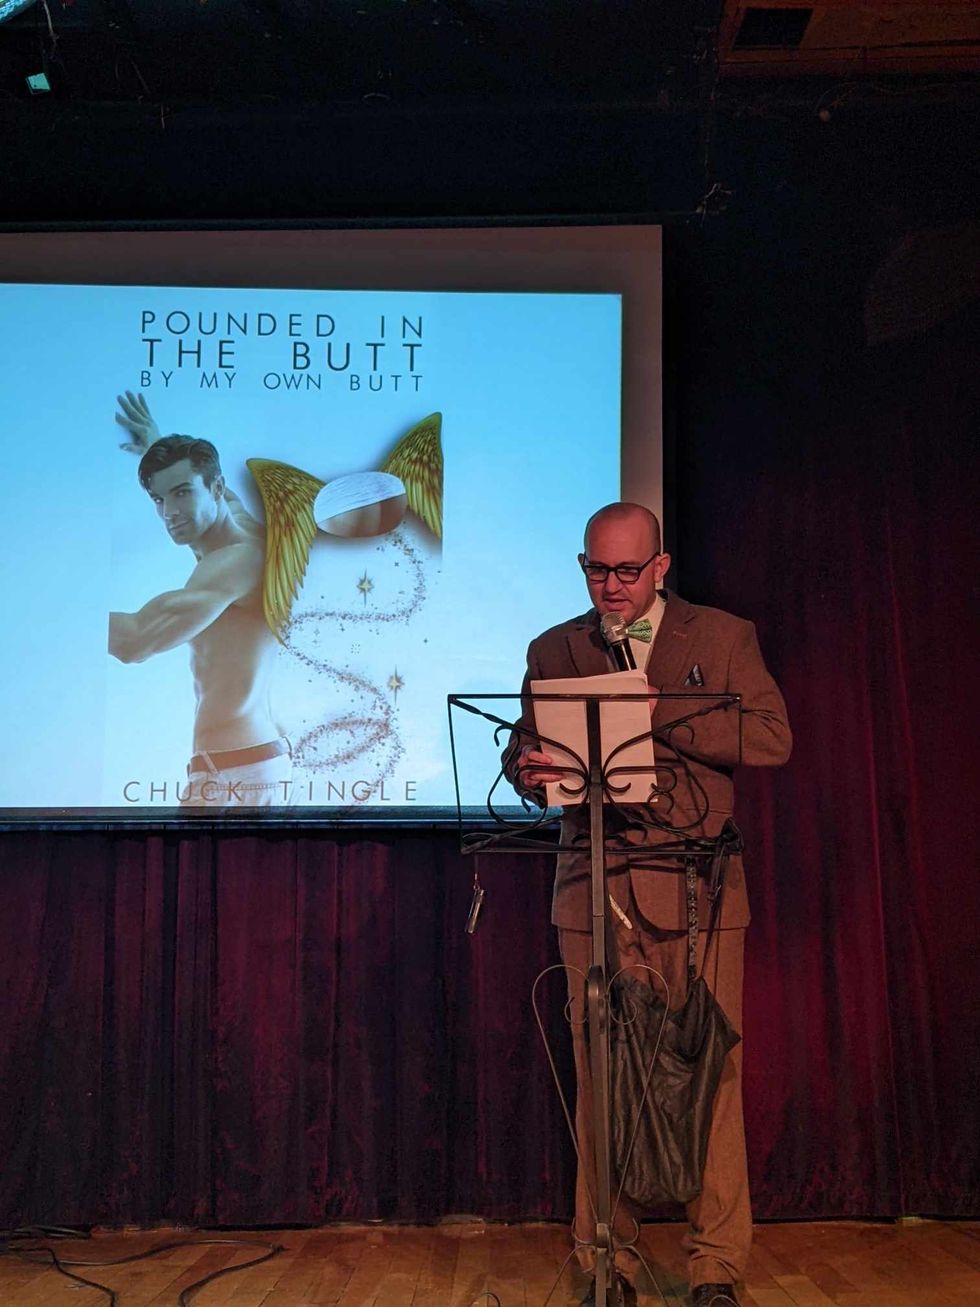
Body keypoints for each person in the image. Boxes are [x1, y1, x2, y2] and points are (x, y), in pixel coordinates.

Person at [507, 502, 791, 1307]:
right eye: (596, 569)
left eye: (627, 572)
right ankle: (611, 1262)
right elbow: (524, 743)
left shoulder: (722, 636)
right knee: (604, 1077)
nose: (611, 586)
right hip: (591, 889)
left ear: (660, 568)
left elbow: (773, 738)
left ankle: (714, 1269)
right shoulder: (553, 646)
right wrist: (525, 764)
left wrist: (652, 703)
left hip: (698, 891)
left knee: (711, 1075)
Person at [110, 393, 290, 806]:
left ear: (215, 486)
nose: (168, 511)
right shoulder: (239, 524)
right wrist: (155, 442)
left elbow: (135, 640)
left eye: (182, 493)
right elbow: (217, 498)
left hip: (235, 772)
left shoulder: (237, 563)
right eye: (159, 499)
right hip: (249, 762)